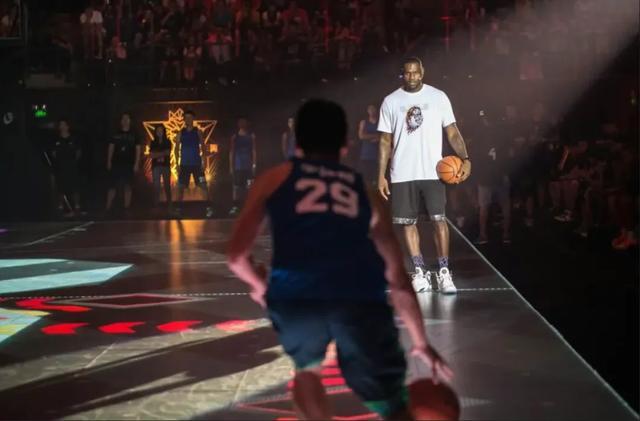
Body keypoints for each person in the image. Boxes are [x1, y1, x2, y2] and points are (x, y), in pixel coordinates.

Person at [227, 99, 452, 420]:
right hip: (358, 296)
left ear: (296, 141)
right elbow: (398, 280)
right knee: (392, 404)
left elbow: (237, 257)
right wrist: (420, 342)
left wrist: (263, 288)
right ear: (345, 145)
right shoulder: (363, 190)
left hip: (297, 295)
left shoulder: (274, 179)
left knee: (306, 370)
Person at [377, 57, 471, 294]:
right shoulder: (390, 101)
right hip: (402, 172)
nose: (411, 76)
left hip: (433, 170)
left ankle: (444, 272)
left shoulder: (438, 97)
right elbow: (385, 141)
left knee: (439, 220)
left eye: (415, 72)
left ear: (422, 72)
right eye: (407, 73)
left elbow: (452, 132)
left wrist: (466, 158)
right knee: (408, 223)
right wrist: (381, 175)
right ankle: (420, 272)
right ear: (403, 74)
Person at [472, 110, 512, 245]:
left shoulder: (481, 135)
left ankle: (483, 235)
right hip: (501, 174)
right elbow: (509, 155)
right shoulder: (503, 134)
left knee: (484, 207)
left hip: (485, 177)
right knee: (505, 205)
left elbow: (476, 158)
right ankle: (506, 234)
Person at [175, 110, 214, 218]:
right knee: (180, 187)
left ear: (193, 119)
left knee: (203, 186)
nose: (188, 119)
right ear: (184, 119)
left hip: (197, 165)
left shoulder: (198, 132)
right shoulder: (180, 133)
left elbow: (203, 147)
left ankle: (208, 209)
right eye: (186, 118)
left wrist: (204, 161)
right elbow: (176, 149)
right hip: (184, 165)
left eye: (190, 117)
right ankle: (178, 210)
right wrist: (177, 164)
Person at [106, 112, 141, 214]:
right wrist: (109, 161)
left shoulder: (134, 134)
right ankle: (107, 207)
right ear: (121, 121)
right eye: (123, 119)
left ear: (130, 121)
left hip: (129, 163)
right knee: (112, 186)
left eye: (127, 119)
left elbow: (138, 149)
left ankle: (127, 208)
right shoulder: (116, 133)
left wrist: (136, 163)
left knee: (128, 186)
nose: (125, 121)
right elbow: (111, 147)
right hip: (116, 163)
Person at [51, 118, 83, 216]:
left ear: (68, 126)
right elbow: (53, 153)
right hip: (61, 167)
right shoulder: (56, 140)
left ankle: (77, 206)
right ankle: (61, 206)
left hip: (72, 167)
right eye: (60, 125)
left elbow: (79, 152)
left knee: (75, 187)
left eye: (64, 125)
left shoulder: (73, 139)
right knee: (61, 187)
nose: (62, 127)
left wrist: (73, 162)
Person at [228, 117, 256, 216]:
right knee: (236, 187)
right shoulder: (234, 137)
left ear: (246, 124)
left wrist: (254, 164)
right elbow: (231, 152)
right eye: (241, 122)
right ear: (238, 124)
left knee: (249, 186)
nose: (242, 124)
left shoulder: (251, 136)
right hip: (238, 166)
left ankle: (250, 207)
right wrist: (231, 166)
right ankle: (235, 207)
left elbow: (254, 150)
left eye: (244, 122)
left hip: (248, 166)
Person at [149, 124, 173, 212]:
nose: (159, 132)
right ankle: (156, 205)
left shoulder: (168, 142)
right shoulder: (153, 142)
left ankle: (169, 204)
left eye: (161, 130)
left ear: (164, 131)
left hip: (165, 166)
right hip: (156, 166)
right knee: (156, 186)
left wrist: (156, 154)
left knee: (167, 186)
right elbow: (151, 155)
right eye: (158, 130)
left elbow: (168, 153)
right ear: (155, 132)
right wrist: (162, 153)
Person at [357, 104, 380, 186]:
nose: (372, 111)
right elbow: (361, 136)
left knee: (376, 176)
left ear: (376, 110)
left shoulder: (380, 122)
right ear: (368, 111)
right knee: (367, 176)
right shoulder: (364, 122)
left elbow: (385, 136)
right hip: (366, 153)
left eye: (373, 109)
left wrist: (378, 138)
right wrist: (375, 136)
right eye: (370, 109)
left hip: (378, 153)